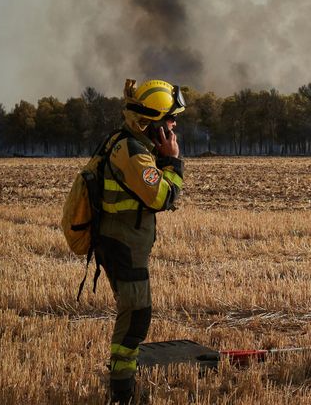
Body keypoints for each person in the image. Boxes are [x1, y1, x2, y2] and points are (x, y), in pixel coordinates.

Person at [97, 79, 186, 403]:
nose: (174, 125)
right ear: (152, 122)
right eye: (170, 119)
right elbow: (164, 197)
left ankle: (123, 381)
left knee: (134, 312)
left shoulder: (129, 144)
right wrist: (172, 161)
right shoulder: (134, 154)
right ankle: (122, 390)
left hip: (119, 239)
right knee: (136, 315)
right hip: (123, 244)